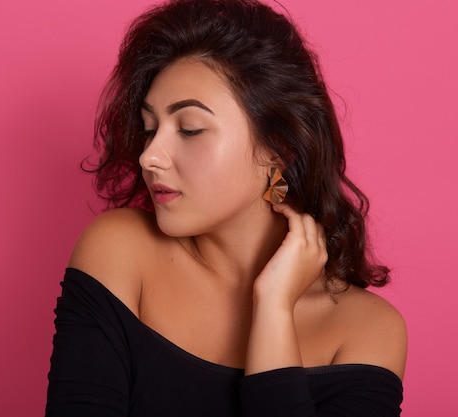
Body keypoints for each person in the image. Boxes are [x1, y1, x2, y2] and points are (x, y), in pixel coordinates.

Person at [45, 0, 407, 415]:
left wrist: (273, 308)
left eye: (190, 129)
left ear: (279, 148)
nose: (149, 156)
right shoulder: (121, 251)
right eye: (150, 129)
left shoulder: (367, 330)